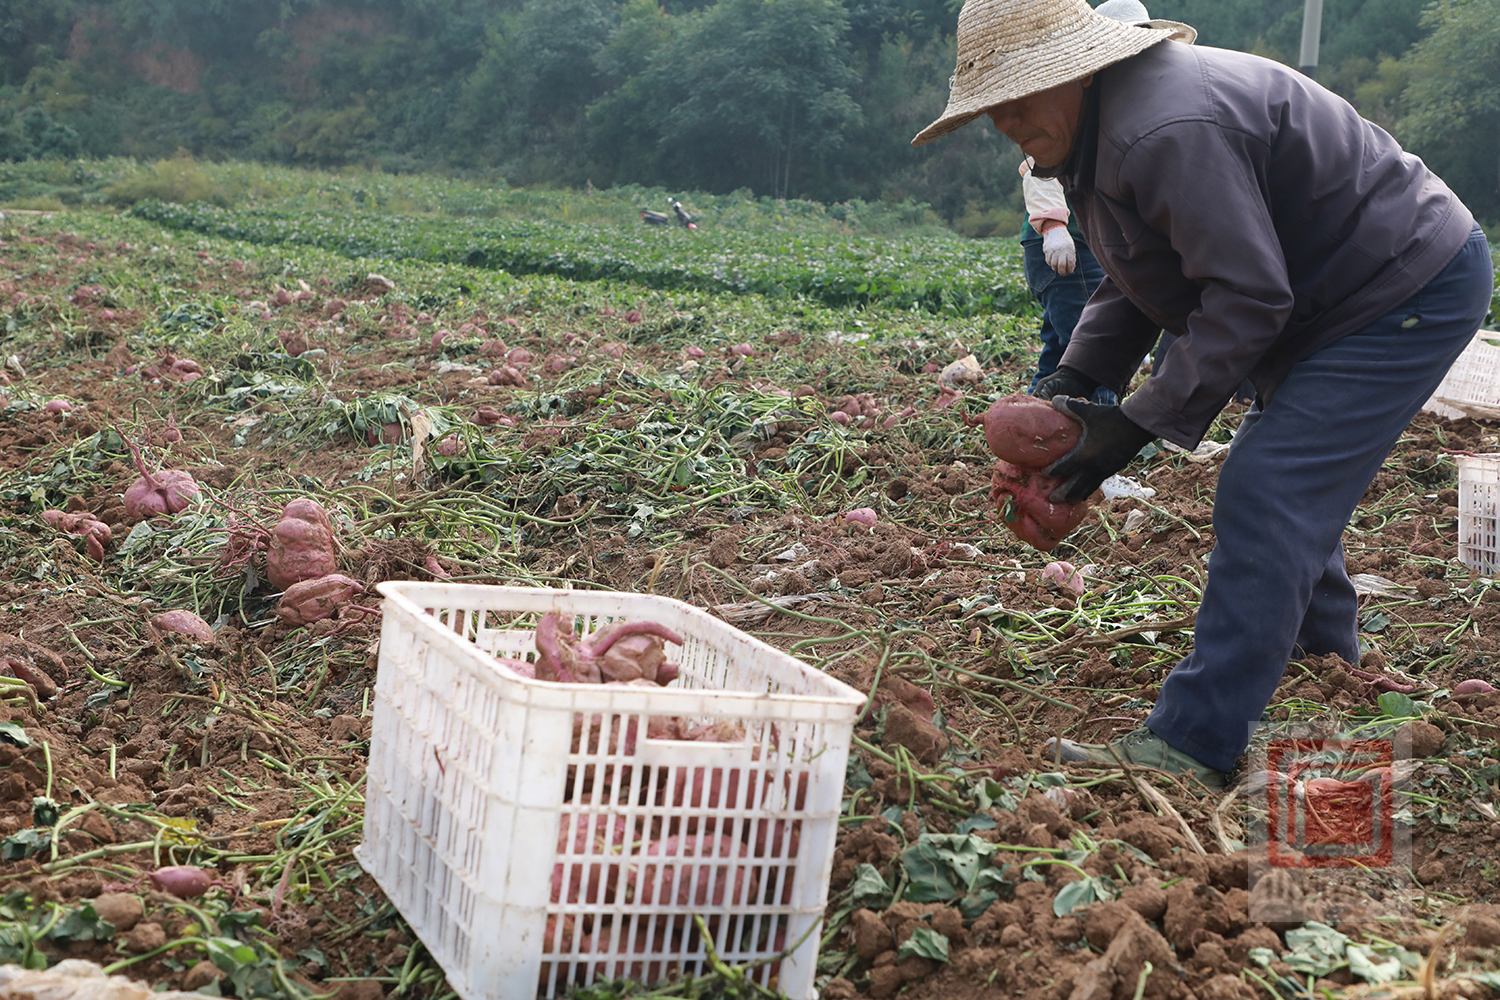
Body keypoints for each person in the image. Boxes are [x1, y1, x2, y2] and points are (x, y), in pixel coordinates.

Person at [913, 0, 1493, 789]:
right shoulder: (1099, 131)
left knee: (1271, 486)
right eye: (991, 107)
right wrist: (1080, 380)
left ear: (1074, 71)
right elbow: (1143, 269)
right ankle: (1322, 667)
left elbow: (1248, 297)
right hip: (1329, 295)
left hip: (1396, 286)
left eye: (1018, 96)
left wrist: (1136, 425)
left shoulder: (1163, 130)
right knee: (1288, 483)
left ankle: (1193, 745)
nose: (1003, 121)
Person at [1018, 0, 1188, 406]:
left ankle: (1028, 425)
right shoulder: (1074, 109)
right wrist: (1053, 226)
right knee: (1093, 352)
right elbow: (1036, 167)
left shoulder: (1130, 112)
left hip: (1089, 247)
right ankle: (1091, 447)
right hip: (1066, 247)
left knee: (1061, 352)